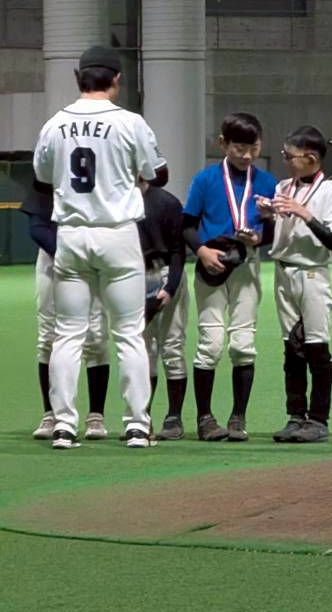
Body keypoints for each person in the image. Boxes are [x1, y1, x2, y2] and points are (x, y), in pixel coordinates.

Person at [32, 45, 165, 449]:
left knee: (67, 334)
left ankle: (63, 425)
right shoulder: (130, 122)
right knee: (129, 333)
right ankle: (137, 426)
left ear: (78, 77)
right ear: (116, 80)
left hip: (72, 234)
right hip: (117, 234)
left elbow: (41, 179)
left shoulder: (55, 124)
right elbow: (159, 174)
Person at [182, 112, 277, 441]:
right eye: (239, 148)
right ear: (223, 143)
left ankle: (238, 418)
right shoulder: (205, 180)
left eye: (253, 147)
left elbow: (272, 232)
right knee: (210, 344)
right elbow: (187, 225)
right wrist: (202, 252)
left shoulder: (267, 182)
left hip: (247, 265)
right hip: (212, 265)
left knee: (243, 344)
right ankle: (205, 419)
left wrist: (259, 237)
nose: (247, 155)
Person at [254, 126, 332, 443]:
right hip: (283, 272)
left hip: (312, 273)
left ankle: (318, 419)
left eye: (288, 156)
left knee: (316, 347)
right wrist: (267, 215)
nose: (285, 160)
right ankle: (295, 416)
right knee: (291, 348)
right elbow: (279, 231)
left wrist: (305, 214)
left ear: (310, 157)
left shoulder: (331, 192)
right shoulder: (284, 186)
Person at [22, 179, 112, 440]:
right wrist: (66, 256)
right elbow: (37, 227)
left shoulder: (101, 177)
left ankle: (96, 416)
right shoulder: (50, 176)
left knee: (96, 336)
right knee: (48, 337)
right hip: (53, 260)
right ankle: (51, 413)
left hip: (93, 259)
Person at [139, 176, 190, 439]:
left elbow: (178, 250)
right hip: (133, 276)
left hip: (167, 273)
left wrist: (169, 288)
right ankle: (141, 417)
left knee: (172, 346)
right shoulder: (117, 199)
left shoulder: (166, 202)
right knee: (142, 349)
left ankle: (174, 419)